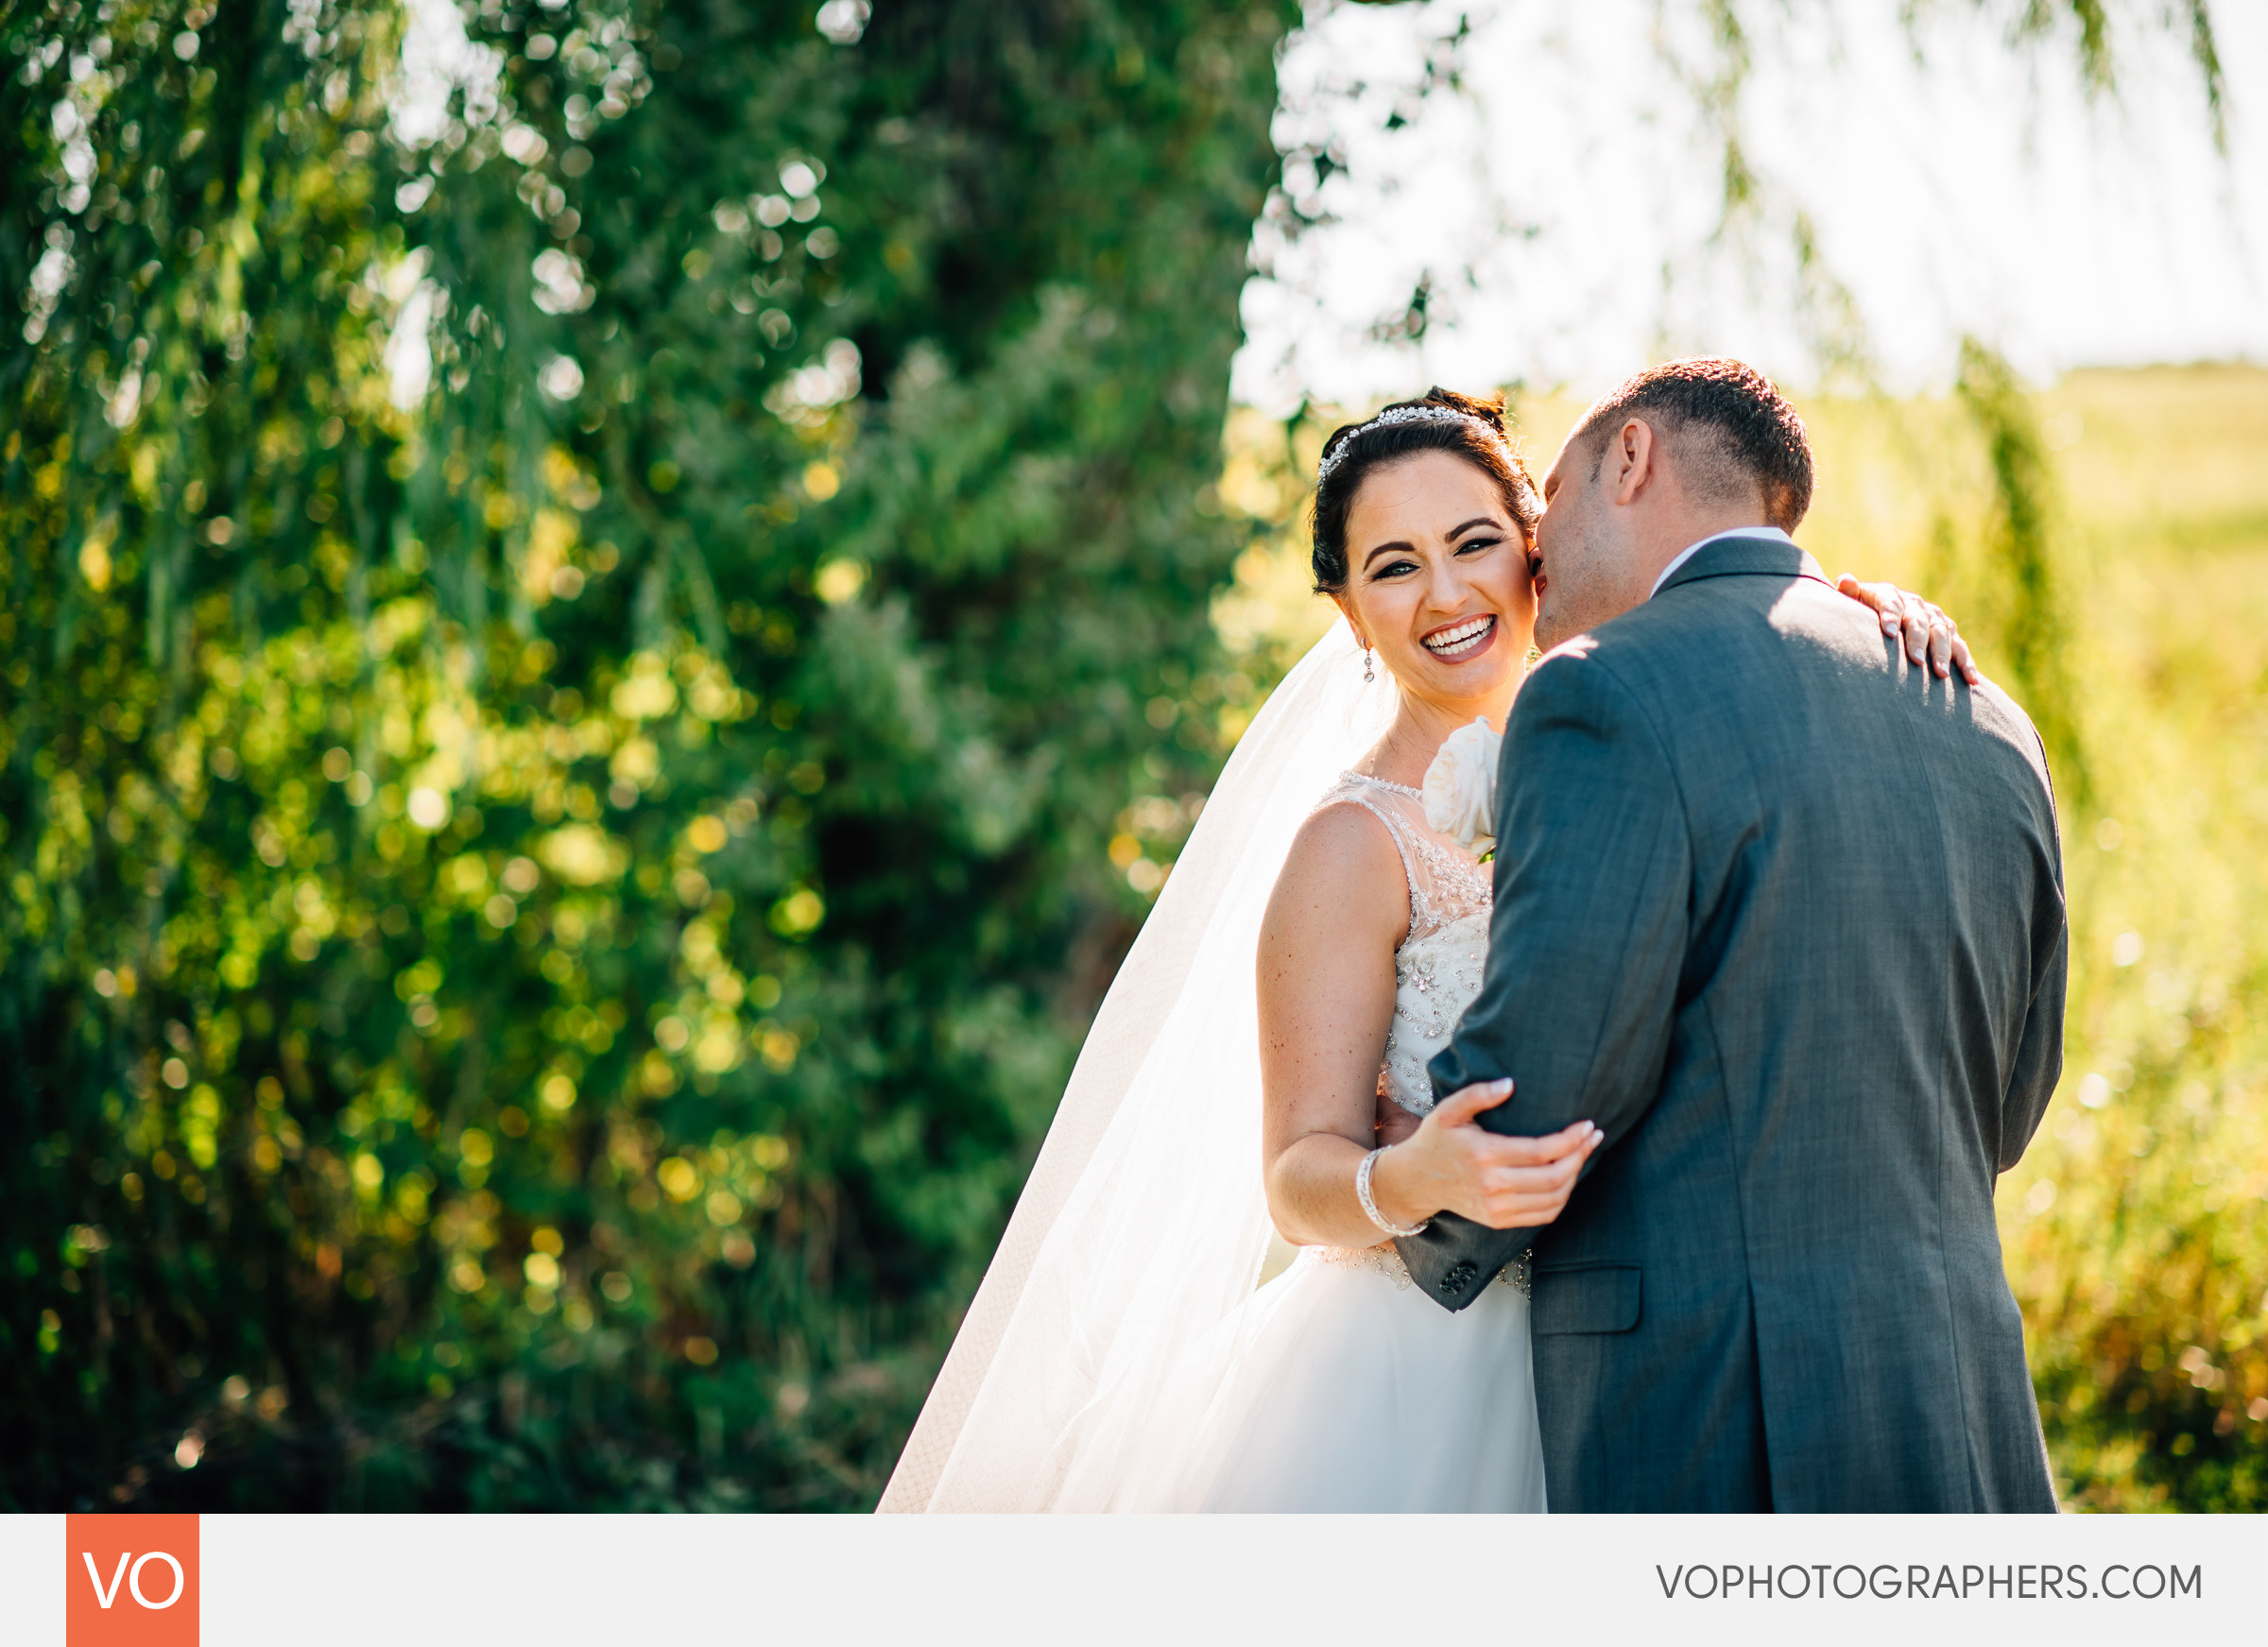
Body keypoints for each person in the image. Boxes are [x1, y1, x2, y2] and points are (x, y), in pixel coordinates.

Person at [877, 379, 1981, 1514]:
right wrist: (1411, 1178)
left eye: (1473, 543)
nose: (1447, 594)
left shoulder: (1646, 752)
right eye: (1394, 567)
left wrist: (1856, 617)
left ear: (1538, 547)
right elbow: (1295, 1178)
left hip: (1651, 1362)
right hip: (1422, 1374)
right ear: (1350, 611)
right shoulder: (1354, 845)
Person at [1398, 360, 2067, 1511]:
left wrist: (1401, 1181)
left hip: (1715, 1417)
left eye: (1546, 495)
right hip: (1957, 1396)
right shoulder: (1988, 715)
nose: (1533, 544)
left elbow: (1540, 1094)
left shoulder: (1600, 693)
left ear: (1632, 457)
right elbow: (2007, 1107)